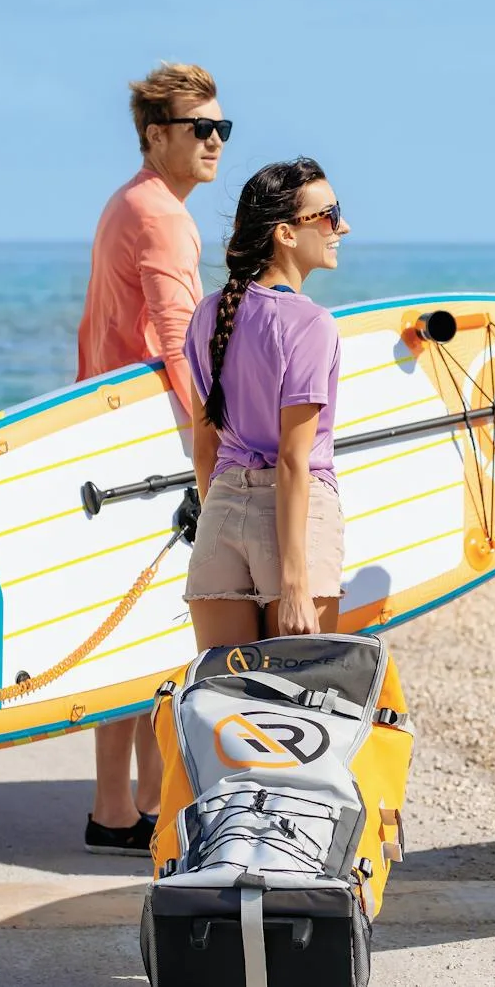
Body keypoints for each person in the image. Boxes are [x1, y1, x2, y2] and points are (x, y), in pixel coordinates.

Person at [75, 62, 227, 855]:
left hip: (113, 433)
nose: (215, 142)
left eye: (222, 129)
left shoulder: (130, 202)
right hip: (145, 443)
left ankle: (126, 803)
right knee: (155, 627)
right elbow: (177, 341)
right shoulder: (161, 217)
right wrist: (216, 444)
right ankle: (126, 805)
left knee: (135, 623)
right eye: (201, 129)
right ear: (155, 134)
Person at [182, 157, 351, 648]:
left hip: (222, 513)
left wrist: (219, 516)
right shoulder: (310, 323)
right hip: (294, 522)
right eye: (329, 215)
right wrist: (295, 585)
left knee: (224, 690)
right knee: (300, 691)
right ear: (286, 233)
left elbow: (204, 448)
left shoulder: (208, 314)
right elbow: (293, 460)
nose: (342, 227)